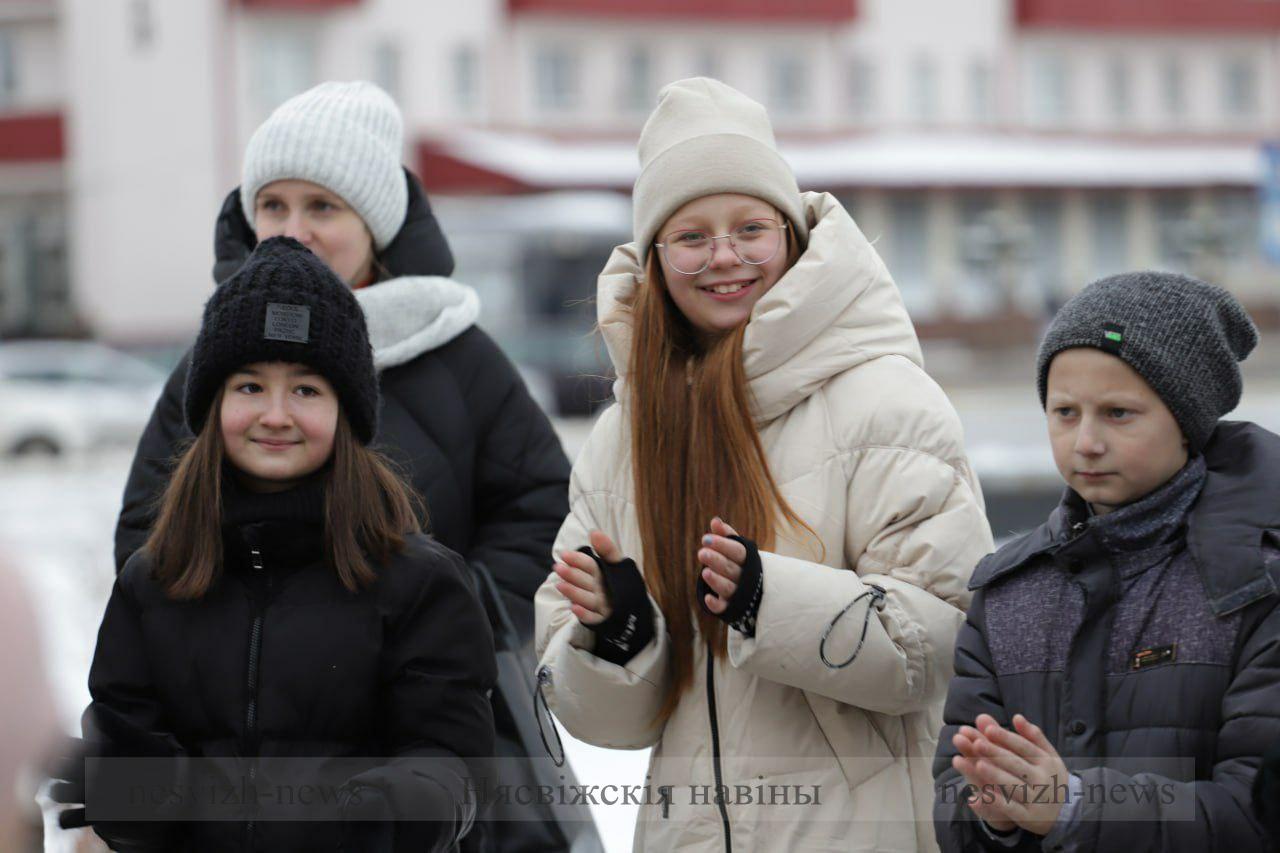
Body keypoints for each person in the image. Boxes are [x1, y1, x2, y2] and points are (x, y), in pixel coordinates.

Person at [113, 82, 582, 852]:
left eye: (322, 208)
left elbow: (545, 506)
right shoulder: (217, 354)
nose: (292, 231)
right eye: (272, 206)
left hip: (424, 743)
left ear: (377, 223)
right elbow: (147, 529)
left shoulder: (456, 351)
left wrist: (453, 605)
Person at [533, 78, 994, 851]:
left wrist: (764, 601)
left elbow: (941, 646)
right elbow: (601, 720)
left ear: (791, 234)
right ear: (654, 259)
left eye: (749, 227)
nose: (724, 257)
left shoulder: (888, 402)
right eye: (691, 235)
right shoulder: (621, 440)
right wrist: (619, 631)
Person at [55, 237, 497, 851]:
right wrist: (129, 785)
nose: (276, 415)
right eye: (250, 387)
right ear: (213, 406)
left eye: (307, 389)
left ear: (347, 413)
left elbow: (452, 755)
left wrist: (402, 804)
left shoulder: (421, 582)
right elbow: (132, 742)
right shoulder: (152, 581)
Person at [932, 272, 1280, 851]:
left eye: (1118, 413)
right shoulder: (1007, 593)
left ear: (1188, 423)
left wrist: (1073, 807)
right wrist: (994, 812)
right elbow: (954, 808)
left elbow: (1257, 814)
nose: (1085, 442)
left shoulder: (1257, 585)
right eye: (1065, 412)